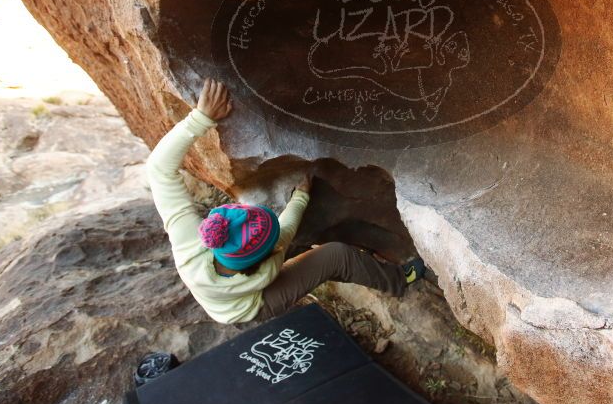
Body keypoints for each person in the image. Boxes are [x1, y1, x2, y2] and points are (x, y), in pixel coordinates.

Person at [145, 78, 425, 324]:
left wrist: (201, 117)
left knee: (302, 248)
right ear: (269, 254)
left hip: (224, 290)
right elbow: (286, 232)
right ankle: (400, 280)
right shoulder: (267, 270)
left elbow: (158, 169)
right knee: (337, 256)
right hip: (251, 307)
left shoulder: (187, 243)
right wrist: (301, 197)